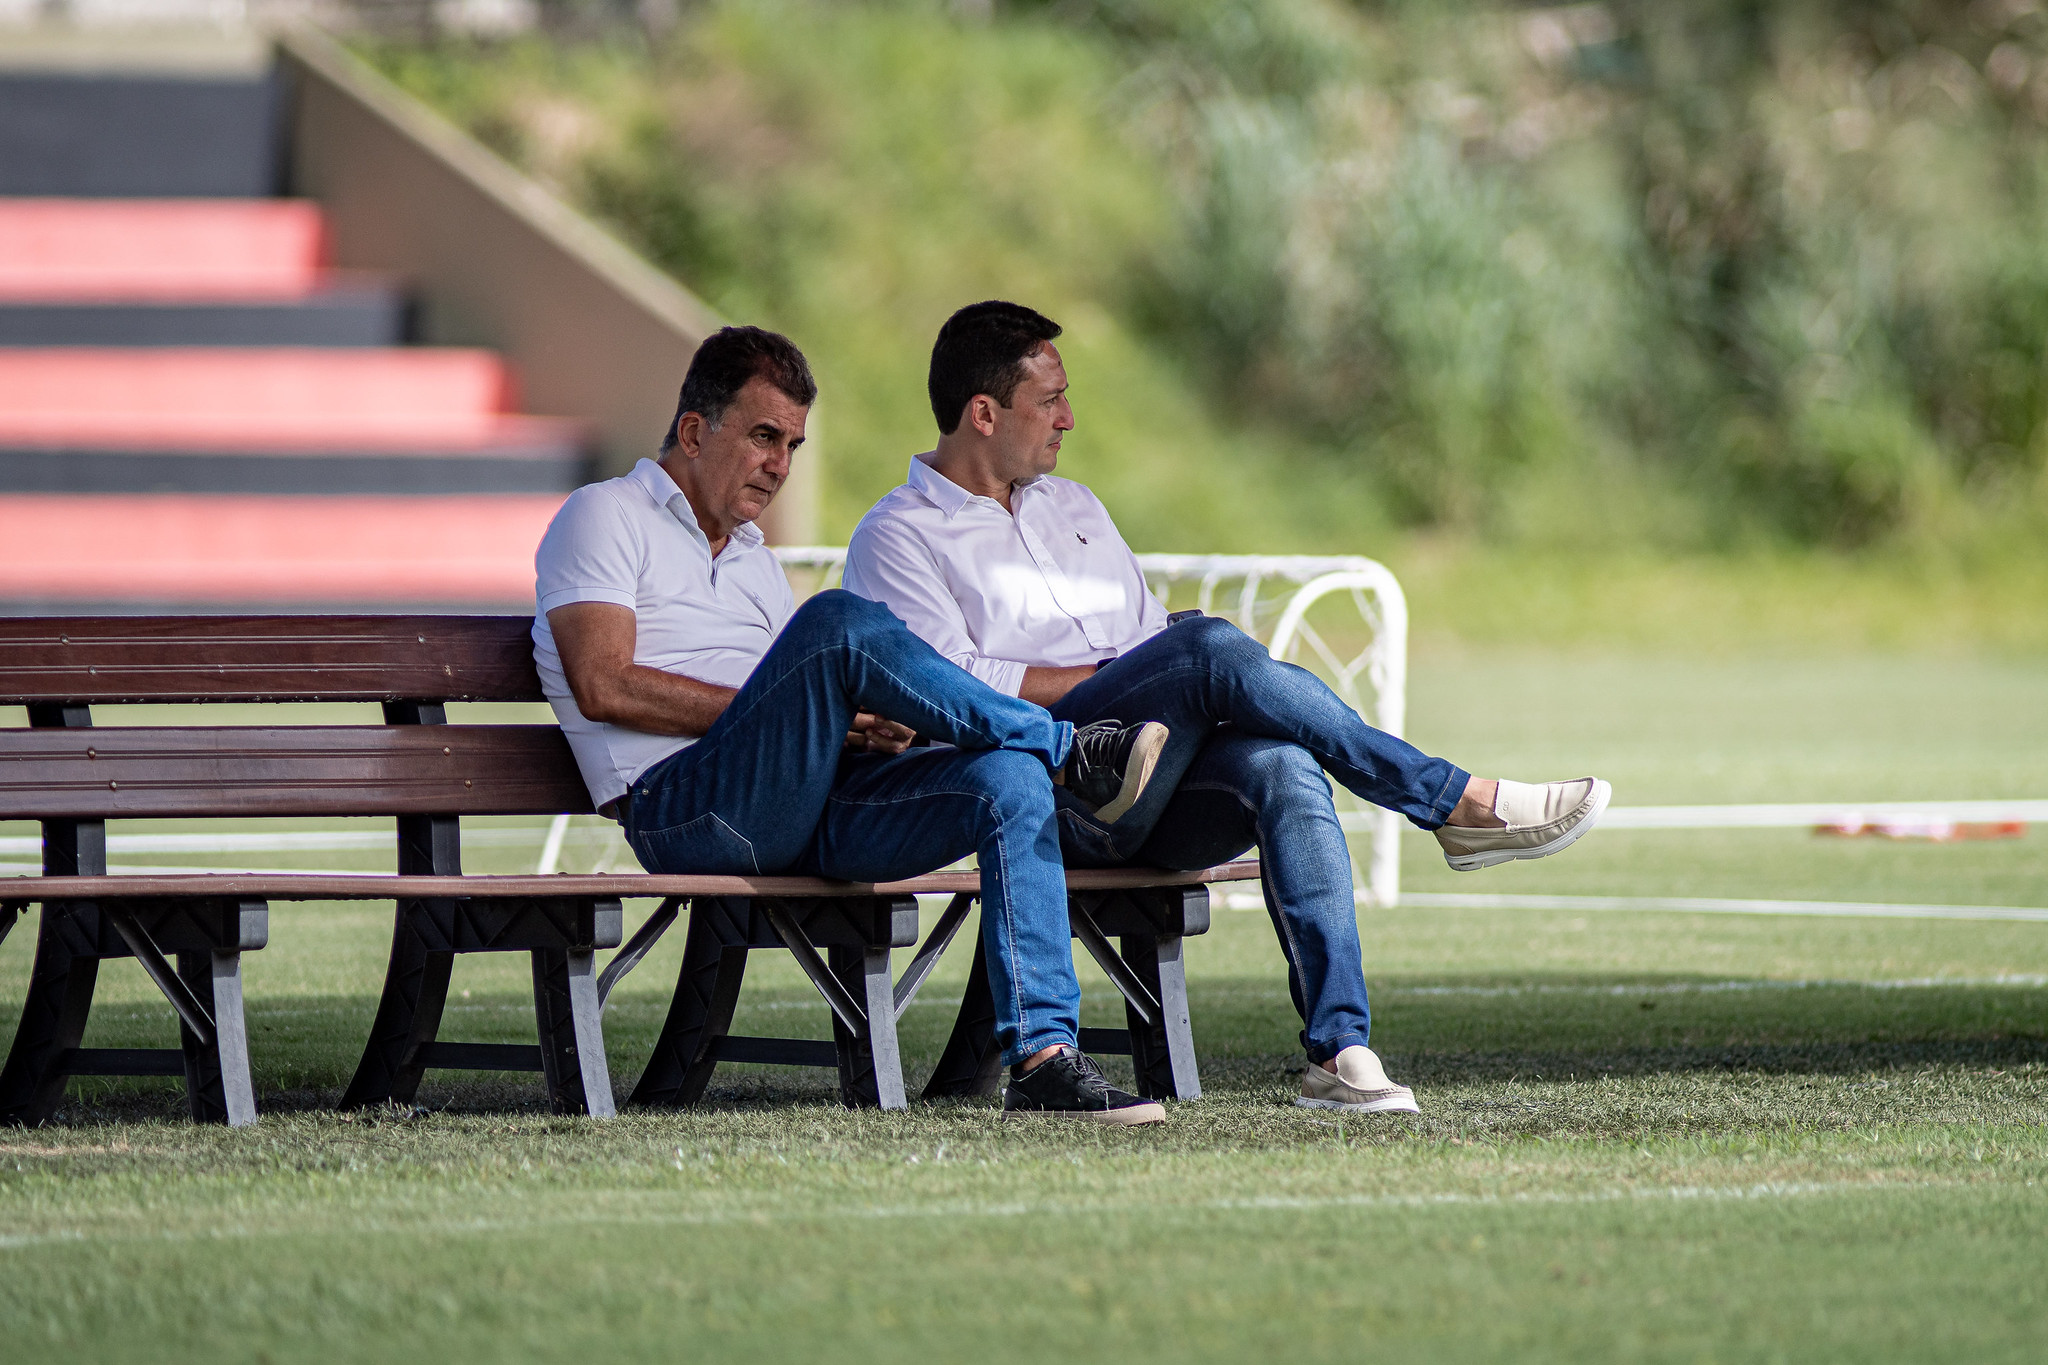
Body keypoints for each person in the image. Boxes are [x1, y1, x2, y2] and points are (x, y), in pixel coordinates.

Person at [843, 301, 1611, 1115]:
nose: (1070, 417)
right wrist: (1135, 673)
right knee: (1204, 646)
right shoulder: (898, 535)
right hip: (1048, 783)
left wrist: (1152, 672)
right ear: (984, 413)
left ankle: (1340, 1050)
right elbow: (951, 689)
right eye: (1050, 400)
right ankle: (1454, 800)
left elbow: (1145, 643)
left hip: (1156, 777)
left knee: (1283, 764)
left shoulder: (1075, 507)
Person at [532, 324, 1172, 1124]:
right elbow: (603, 683)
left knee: (1007, 781)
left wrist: (853, 725)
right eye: (765, 436)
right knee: (839, 620)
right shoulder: (603, 515)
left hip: (800, 802)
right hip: (683, 807)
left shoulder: (756, 560)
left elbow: (797, 701)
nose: (780, 464)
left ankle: (1042, 1057)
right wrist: (789, 705)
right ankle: (1068, 748)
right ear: (695, 430)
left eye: (794, 445)